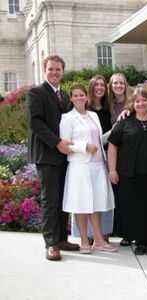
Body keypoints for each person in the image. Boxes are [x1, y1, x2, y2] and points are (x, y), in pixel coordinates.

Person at [26, 55, 80, 261]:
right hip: (47, 154)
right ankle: (51, 244)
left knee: (62, 198)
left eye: (58, 69)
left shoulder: (65, 96)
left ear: (63, 72)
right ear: (45, 70)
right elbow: (35, 123)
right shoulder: (36, 93)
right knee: (50, 200)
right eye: (51, 69)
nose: (55, 72)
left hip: (65, 156)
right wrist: (57, 142)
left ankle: (61, 238)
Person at [60, 84, 116, 254]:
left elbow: (99, 139)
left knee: (97, 204)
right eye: (75, 95)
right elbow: (65, 143)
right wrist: (84, 147)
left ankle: (98, 240)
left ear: (86, 97)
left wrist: (118, 127)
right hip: (80, 166)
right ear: (71, 98)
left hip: (98, 166)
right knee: (81, 204)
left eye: (81, 95)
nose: (79, 98)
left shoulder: (93, 115)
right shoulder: (67, 118)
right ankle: (84, 240)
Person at [108, 88, 147, 256]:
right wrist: (112, 170)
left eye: (144, 100)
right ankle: (138, 241)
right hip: (128, 174)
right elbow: (112, 145)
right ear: (133, 104)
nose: (141, 103)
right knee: (133, 208)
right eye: (137, 101)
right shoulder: (124, 121)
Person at [70, 75, 114, 242]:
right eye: (96, 85)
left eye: (103, 85)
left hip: (101, 158)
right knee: (83, 200)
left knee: (100, 200)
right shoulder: (80, 111)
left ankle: (101, 235)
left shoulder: (106, 109)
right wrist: (85, 147)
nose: (100, 88)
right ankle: (85, 237)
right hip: (83, 161)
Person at [108, 73, 132, 246]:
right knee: (119, 195)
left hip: (130, 151)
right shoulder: (108, 104)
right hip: (114, 150)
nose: (118, 85)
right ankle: (122, 230)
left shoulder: (132, 102)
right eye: (115, 83)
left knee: (130, 194)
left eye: (121, 82)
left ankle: (130, 232)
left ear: (125, 84)